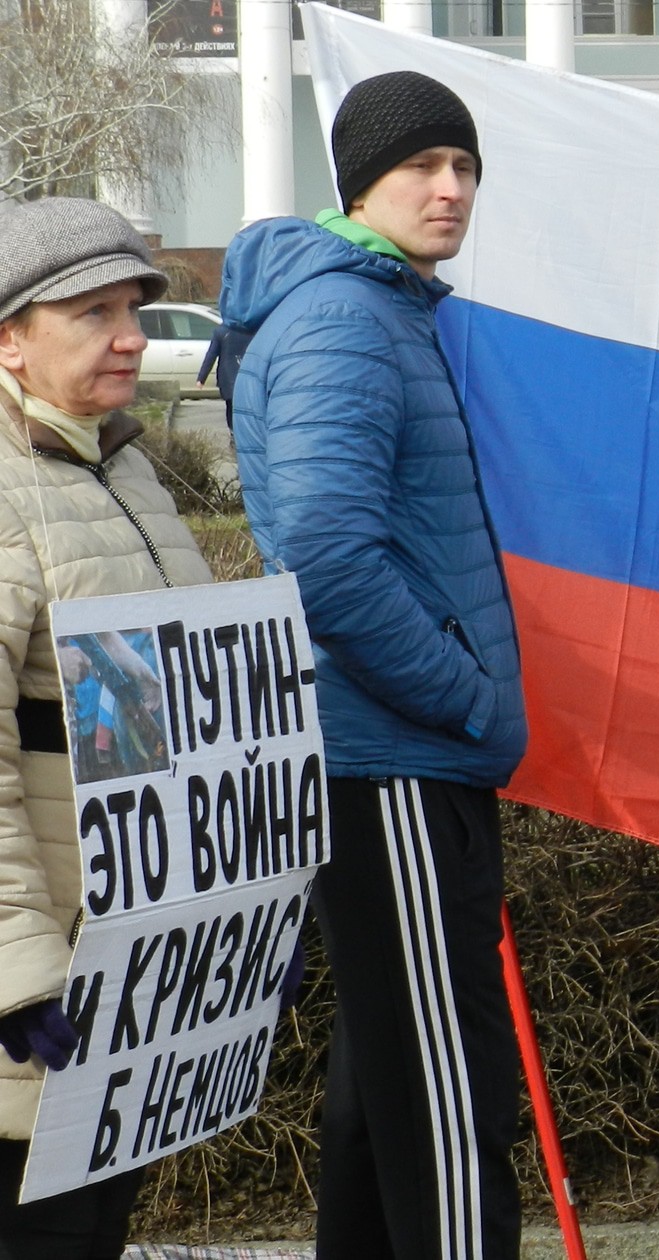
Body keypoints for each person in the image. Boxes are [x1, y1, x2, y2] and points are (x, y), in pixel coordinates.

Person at [221, 70, 528, 1260]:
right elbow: (328, 558)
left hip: (398, 753)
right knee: (447, 1104)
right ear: (361, 184)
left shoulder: (385, 305)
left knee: (383, 1093)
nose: (451, 189)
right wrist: (466, 700)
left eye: (466, 167)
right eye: (422, 167)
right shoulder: (344, 320)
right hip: (392, 755)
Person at [0, 197, 215, 1256]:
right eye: (92, 312)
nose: (129, 335)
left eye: (133, 308)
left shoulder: (122, 465)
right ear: (10, 340)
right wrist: (18, 971)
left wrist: (241, 901)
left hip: (132, 963)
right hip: (44, 978)